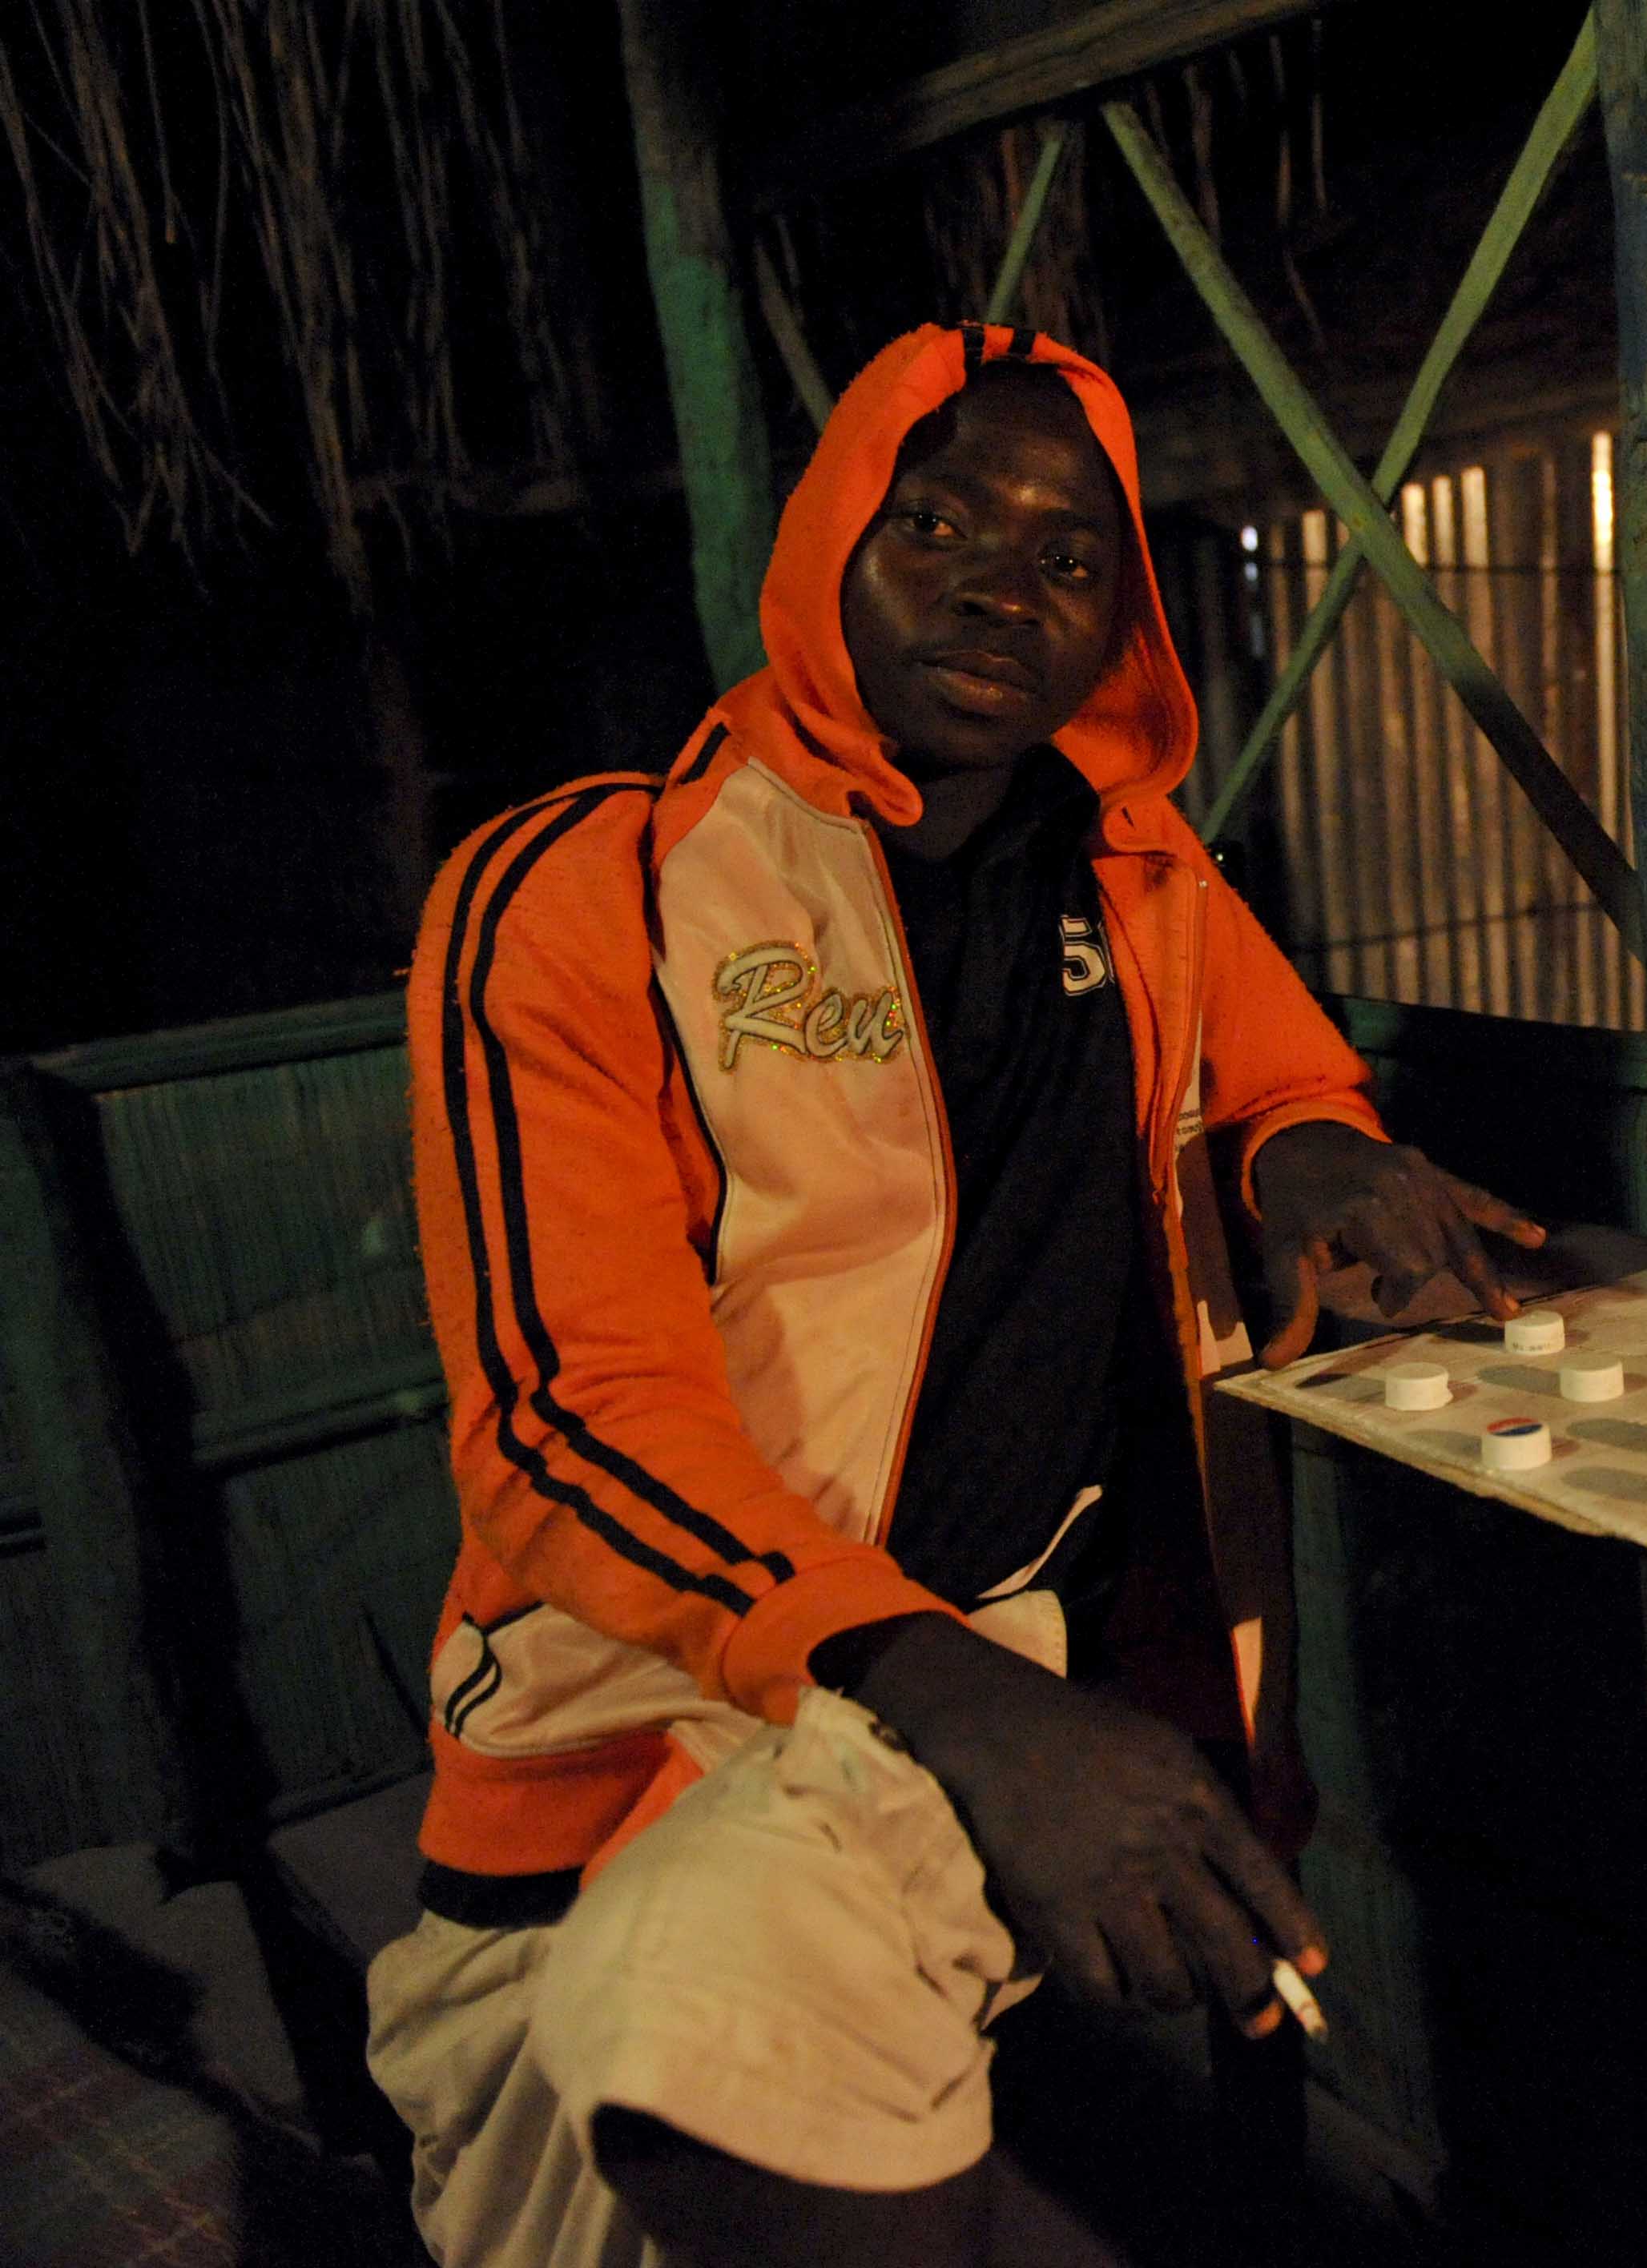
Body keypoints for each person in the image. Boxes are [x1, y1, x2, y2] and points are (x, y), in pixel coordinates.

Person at [365, 321, 1541, 2267]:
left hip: (1048, 1654)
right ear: (826, 539)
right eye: (935, 525)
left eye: (1072, 556)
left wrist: (1310, 1159)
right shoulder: (593, 887)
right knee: (694, 2039)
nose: (1005, 584)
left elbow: (1280, 1081)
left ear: (1119, 627)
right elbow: (564, 1418)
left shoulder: (1141, 878)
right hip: (702, 1718)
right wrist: (962, 1704)